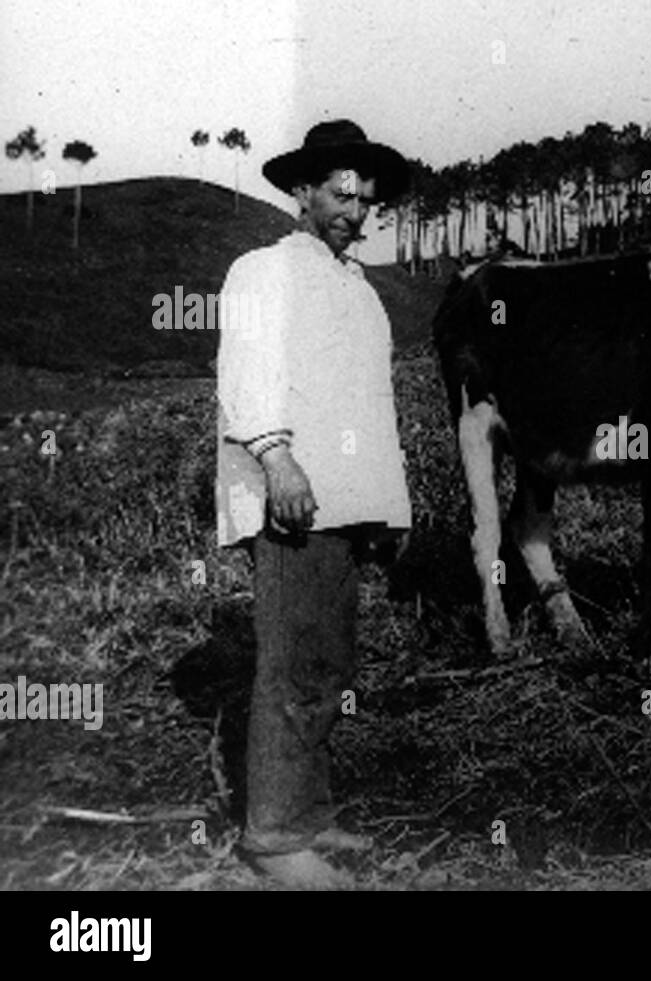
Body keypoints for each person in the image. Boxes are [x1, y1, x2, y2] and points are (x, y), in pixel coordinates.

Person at [214, 119, 412, 888]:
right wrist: (278, 459)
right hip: (292, 499)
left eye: (364, 199)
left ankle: (308, 813)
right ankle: (272, 835)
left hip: (341, 505)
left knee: (327, 664)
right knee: (292, 666)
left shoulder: (358, 290)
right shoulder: (264, 271)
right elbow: (248, 372)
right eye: (338, 192)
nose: (354, 209)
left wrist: (382, 507)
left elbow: (371, 403)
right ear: (303, 192)